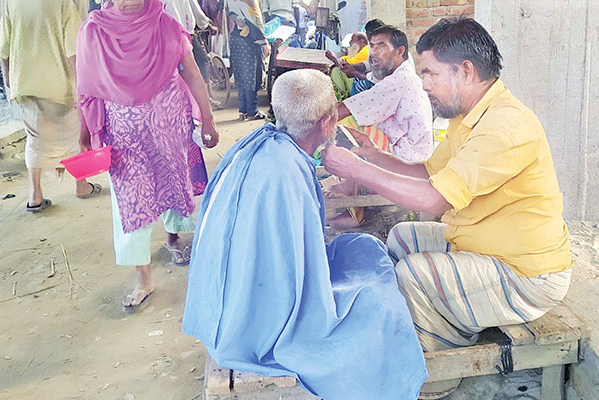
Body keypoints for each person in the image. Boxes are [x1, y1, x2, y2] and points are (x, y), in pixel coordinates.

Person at [322, 16, 573, 398]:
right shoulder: (471, 114)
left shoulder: (504, 126)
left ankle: (438, 373)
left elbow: (435, 198)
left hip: (528, 276)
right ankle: (432, 324)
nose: (422, 84)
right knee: (402, 237)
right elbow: (428, 172)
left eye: (430, 73)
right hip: (485, 249)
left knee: (414, 275)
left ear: (466, 71)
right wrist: (371, 157)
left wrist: (357, 169)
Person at [182, 69, 427, 400]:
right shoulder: (288, 172)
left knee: (361, 244)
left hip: (218, 302)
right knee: (376, 304)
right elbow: (296, 268)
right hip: (256, 315)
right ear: (327, 124)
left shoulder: (253, 145)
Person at [76, 0, 219, 309]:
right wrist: (84, 137)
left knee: (171, 183)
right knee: (131, 203)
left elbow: (192, 73)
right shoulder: (94, 31)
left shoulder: (165, 24)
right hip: (124, 137)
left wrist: (207, 118)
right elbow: (85, 89)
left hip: (169, 127)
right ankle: (144, 279)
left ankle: (173, 238)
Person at [0, 0, 102, 212]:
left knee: (34, 139)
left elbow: (3, 44)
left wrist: (9, 76)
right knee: (74, 137)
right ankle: (81, 185)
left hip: (24, 83)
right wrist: (83, 85)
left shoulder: (12, 2)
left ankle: (35, 195)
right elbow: (73, 48)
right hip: (59, 85)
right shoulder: (61, 2)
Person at [337, 25, 431, 160]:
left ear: (400, 52)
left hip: (408, 156)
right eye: (372, 46)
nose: (374, 52)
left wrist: (315, 120)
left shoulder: (398, 81)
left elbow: (348, 109)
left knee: (344, 125)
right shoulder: (402, 74)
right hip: (412, 151)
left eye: (381, 46)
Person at [227, 0, 269, 121]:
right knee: (253, 75)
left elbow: (232, 15)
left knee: (241, 74)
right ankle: (252, 111)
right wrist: (265, 43)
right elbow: (256, 21)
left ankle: (243, 111)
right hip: (251, 41)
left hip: (236, 38)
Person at [160, 0, 216, 83]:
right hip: (182, 35)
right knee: (203, 60)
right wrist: (204, 26)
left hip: (164, 37)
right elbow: (193, 15)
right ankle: (205, 88)